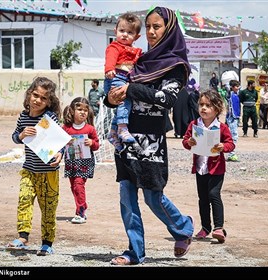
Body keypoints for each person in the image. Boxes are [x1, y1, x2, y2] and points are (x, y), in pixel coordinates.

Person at [104, 6, 194, 265]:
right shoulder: (138, 60)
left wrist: (131, 89)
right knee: (127, 196)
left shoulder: (175, 65)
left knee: (153, 196)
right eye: (149, 27)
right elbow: (117, 93)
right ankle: (135, 251)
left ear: (169, 29)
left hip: (151, 142)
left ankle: (183, 228)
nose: (152, 32)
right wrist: (111, 98)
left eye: (158, 26)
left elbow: (166, 99)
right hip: (126, 136)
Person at [8, 76, 63, 256]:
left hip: (49, 173)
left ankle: (47, 243)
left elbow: (60, 140)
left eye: (43, 98)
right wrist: (22, 134)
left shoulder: (49, 117)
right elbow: (15, 136)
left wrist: (59, 153)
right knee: (24, 201)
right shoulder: (23, 117)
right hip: (29, 170)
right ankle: (23, 237)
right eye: (35, 95)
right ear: (29, 94)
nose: (38, 100)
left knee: (48, 209)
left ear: (49, 102)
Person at [182, 89, 235, 243]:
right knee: (203, 198)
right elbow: (185, 141)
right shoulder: (194, 125)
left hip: (216, 168)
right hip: (200, 168)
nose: (203, 108)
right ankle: (205, 227)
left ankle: (218, 228)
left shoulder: (222, 127)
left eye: (208, 105)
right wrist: (189, 142)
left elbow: (230, 143)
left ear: (217, 109)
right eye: (201, 105)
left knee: (214, 194)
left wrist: (223, 147)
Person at [104, 13, 143, 150]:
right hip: (115, 77)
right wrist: (109, 69)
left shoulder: (136, 51)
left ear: (137, 36)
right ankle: (122, 128)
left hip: (126, 79)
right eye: (122, 31)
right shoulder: (115, 46)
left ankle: (113, 132)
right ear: (115, 31)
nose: (125, 35)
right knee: (123, 101)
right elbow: (111, 58)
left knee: (126, 104)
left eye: (130, 32)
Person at [62, 97, 100, 224]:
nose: (83, 112)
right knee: (73, 186)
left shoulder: (90, 129)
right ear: (72, 110)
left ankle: (81, 212)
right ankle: (82, 205)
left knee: (79, 185)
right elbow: (60, 144)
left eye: (85, 110)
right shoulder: (66, 128)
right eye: (79, 109)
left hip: (85, 161)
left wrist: (91, 142)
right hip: (71, 161)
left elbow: (97, 145)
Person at [225, 80, 241, 162]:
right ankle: (231, 154)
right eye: (236, 86)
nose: (238, 88)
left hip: (235, 117)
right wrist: (228, 88)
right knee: (233, 136)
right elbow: (227, 95)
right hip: (231, 117)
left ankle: (231, 153)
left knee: (233, 135)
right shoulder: (230, 95)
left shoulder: (236, 95)